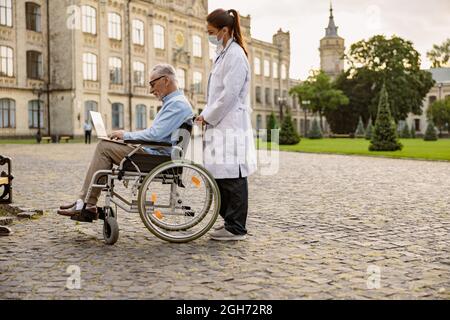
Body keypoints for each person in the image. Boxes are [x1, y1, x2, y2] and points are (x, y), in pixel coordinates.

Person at [57, 64, 194, 218]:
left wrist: (126, 135)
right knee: (107, 145)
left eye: (152, 84)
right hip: (156, 153)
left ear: (166, 80)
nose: (151, 90)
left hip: (157, 158)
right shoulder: (174, 103)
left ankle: (86, 202)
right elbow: (158, 135)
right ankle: (86, 202)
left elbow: (155, 135)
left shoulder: (177, 104)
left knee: (104, 147)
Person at [196, 8, 257, 241]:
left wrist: (207, 115)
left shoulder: (236, 56)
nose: (209, 35)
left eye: (212, 32)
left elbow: (229, 95)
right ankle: (229, 221)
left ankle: (237, 227)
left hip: (230, 123)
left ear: (225, 30)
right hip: (220, 122)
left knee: (233, 175)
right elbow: (216, 94)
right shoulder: (222, 53)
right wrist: (207, 114)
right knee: (220, 173)